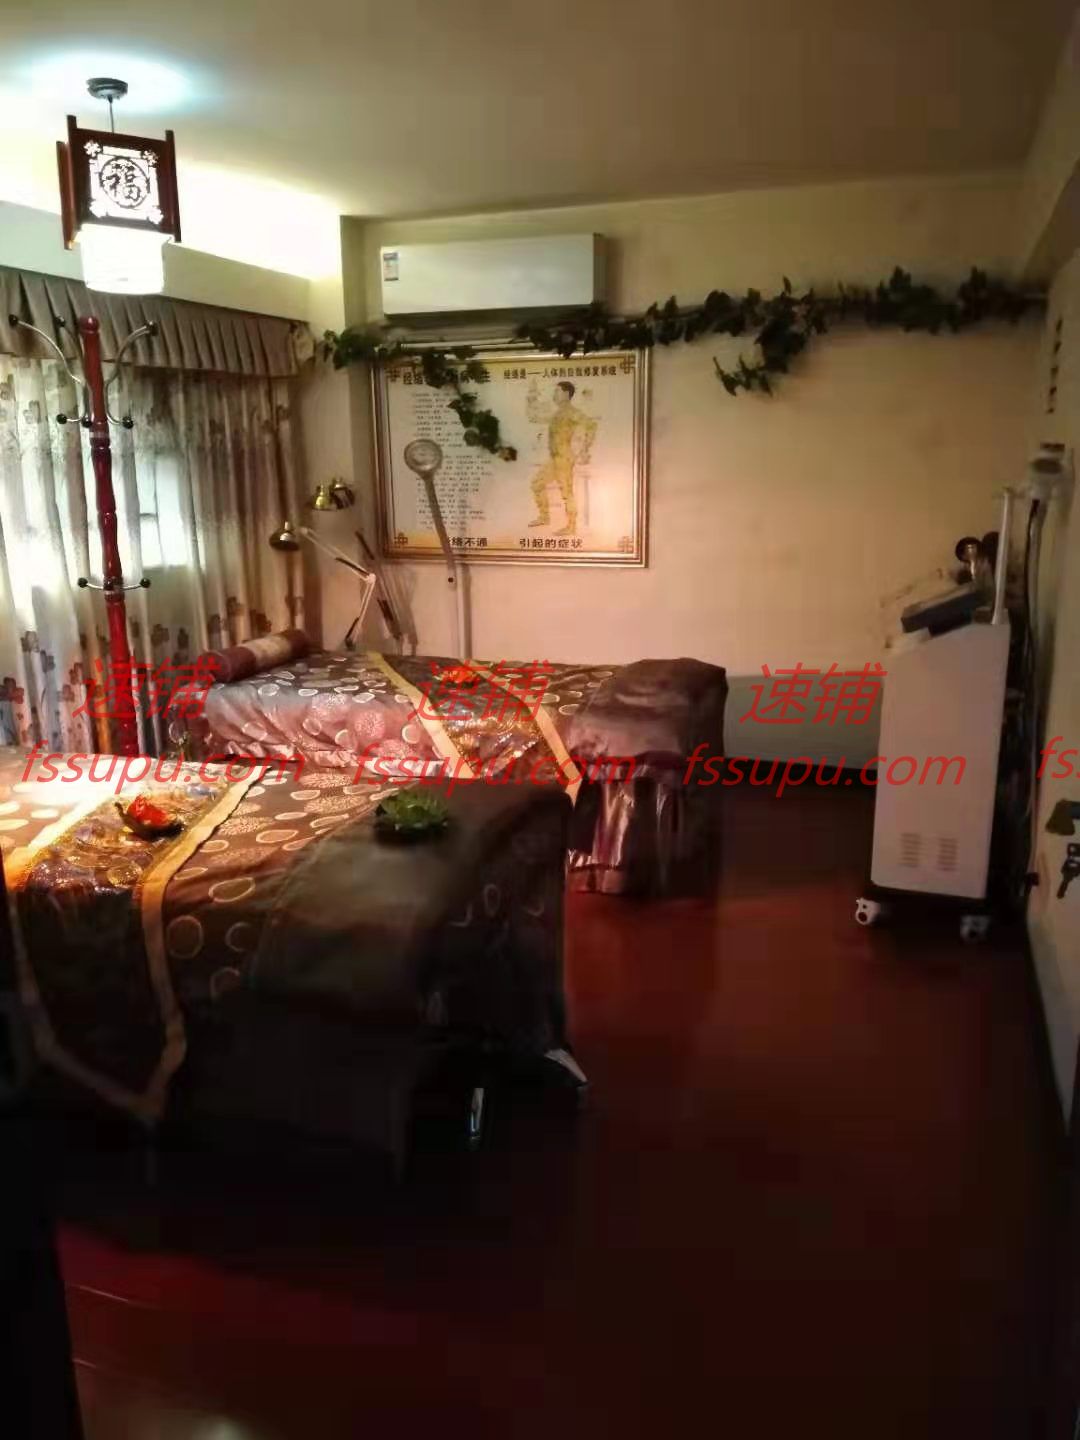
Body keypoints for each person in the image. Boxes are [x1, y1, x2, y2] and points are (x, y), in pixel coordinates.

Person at [525, 379, 598, 536]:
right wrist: (531, 398)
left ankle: (571, 526)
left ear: (566, 394)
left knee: (566, 493)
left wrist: (584, 449)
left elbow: (591, 425)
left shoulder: (572, 412)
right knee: (537, 484)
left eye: (557, 391)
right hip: (554, 458)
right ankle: (544, 517)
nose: (554, 394)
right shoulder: (557, 413)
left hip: (564, 458)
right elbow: (533, 418)